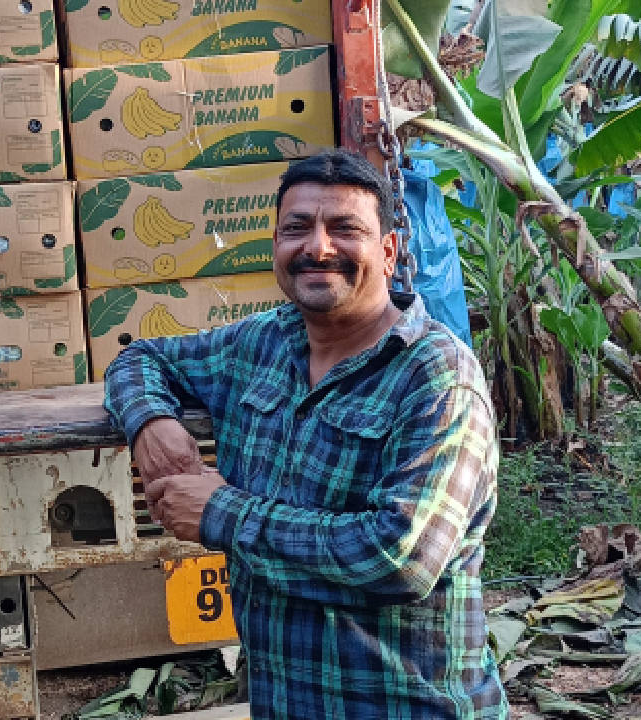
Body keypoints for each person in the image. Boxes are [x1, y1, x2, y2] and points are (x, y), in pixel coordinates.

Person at [104, 150, 507, 719]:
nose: (317, 247)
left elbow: (401, 558)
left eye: (345, 229)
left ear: (388, 252)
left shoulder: (435, 374)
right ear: (277, 246)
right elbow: (141, 359)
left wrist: (223, 512)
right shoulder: (261, 345)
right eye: (297, 228)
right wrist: (151, 422)